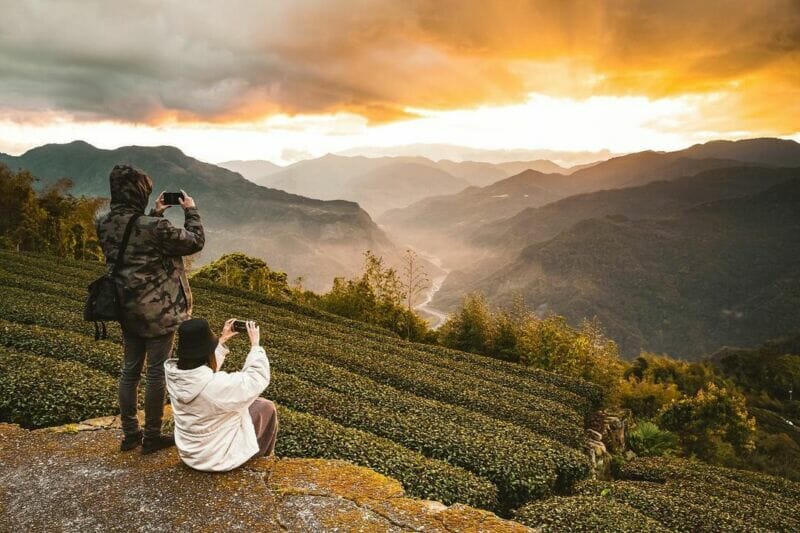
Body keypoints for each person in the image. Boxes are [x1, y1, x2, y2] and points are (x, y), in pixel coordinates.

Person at [96, 165, 205, 454]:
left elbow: (135, 243)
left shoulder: (104, 222)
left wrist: (155, 214)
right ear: (139, 192)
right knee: (157, 372)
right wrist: (190, 211)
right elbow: (195, 242)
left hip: (126, 308)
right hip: (159, 311)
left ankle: (130, 433)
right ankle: (153, 436)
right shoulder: (153, 228)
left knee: (129, 370)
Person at [164, 318, 278, 472]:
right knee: (265, 407)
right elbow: (257, 378)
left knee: (252, 404)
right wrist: (255, 345)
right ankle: (259, 457)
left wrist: (223, 339)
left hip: (190, 453)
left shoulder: (174, 375)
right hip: (215, 458)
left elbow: (200, 375)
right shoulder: (216, 386)